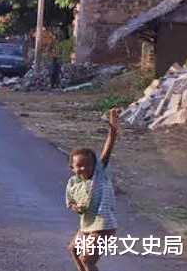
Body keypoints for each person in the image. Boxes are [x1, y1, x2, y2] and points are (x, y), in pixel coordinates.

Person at [66, 108, 120, 271]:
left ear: (95, 166)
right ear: (72, 168)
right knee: (74, 248)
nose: (84, 169)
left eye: (88, 165)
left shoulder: (99, 175)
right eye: (79, 166)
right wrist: (76, 207)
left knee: (88, 260)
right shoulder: (73, 183)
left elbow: (107, 149)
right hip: (88, 225)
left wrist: (112, 130)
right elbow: (71, 203)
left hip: (103, 225)